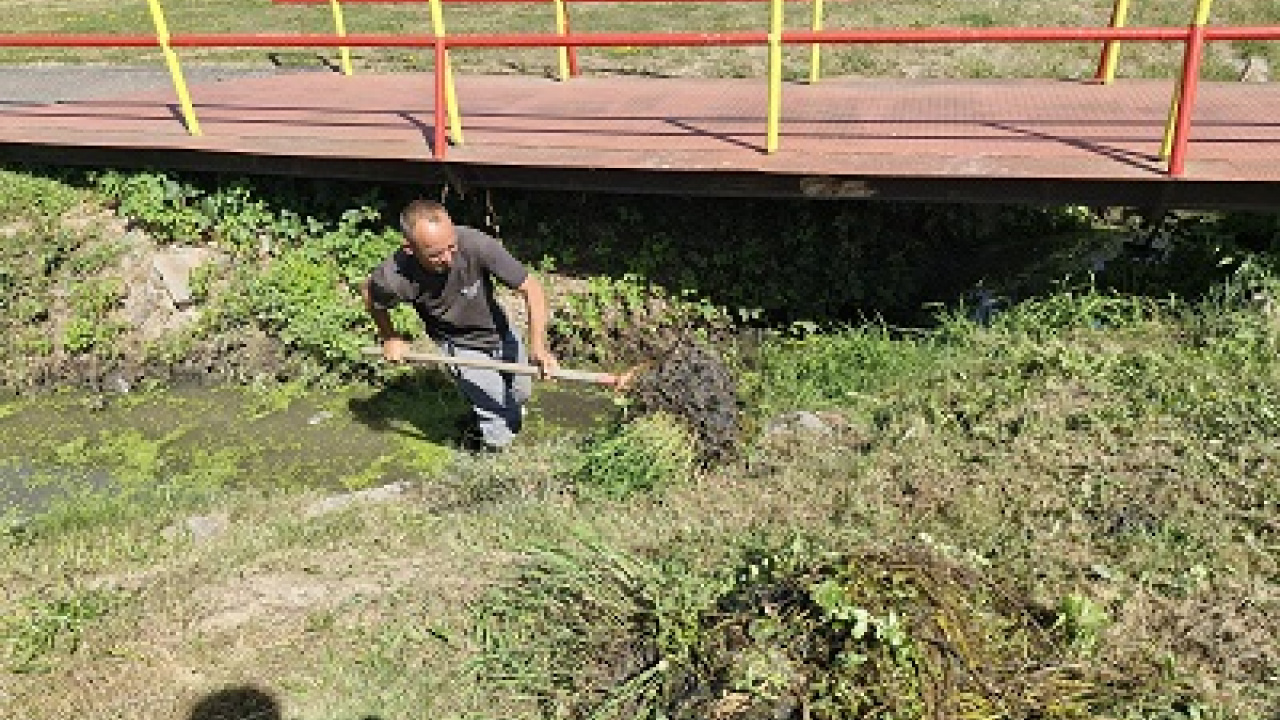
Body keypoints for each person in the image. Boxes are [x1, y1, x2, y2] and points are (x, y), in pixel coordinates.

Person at [362, 199, 559, 452]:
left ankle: (489, 420)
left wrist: (538, 347)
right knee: (496, 409)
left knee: (519, 395)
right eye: (435, 254)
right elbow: (370, 294)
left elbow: (530, 287)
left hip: (500, 333)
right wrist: (390, 337)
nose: (447, 258)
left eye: (451, 247)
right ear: (410, 248)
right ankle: (502, 464)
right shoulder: (393, 277)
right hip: (459, 345)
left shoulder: (476, 244)